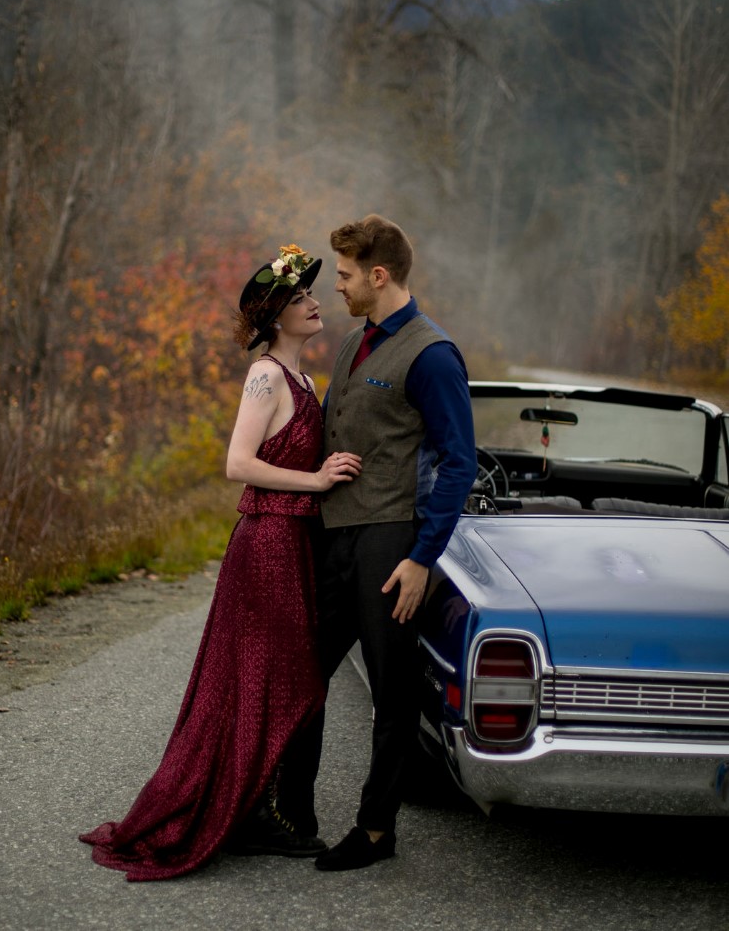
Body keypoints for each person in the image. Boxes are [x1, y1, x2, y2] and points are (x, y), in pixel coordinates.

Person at [79, 244, 361, 881]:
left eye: (312, 295)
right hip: (266, 544)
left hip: (295, 545)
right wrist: (316, 482)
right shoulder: (265, 376)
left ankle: (255, 808)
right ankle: (253, 811)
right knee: (270, 677)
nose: (316, 303)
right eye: (300, 299)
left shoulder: (305, 379)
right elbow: (237, 462)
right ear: (275, 317)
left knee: (273, 678)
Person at [277, 215, 478, 872]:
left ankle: (373, 831)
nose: (335, 285)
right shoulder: (354, 342)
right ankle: (291, 814)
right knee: (302, 674)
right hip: (333, 537)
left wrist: (421, 558)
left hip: (390, 544)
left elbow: (458, 463)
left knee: (392, 694)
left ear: (378, 275)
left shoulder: (432, 355)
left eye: (343, 274)